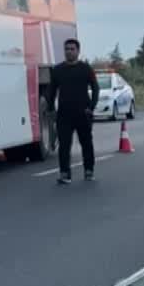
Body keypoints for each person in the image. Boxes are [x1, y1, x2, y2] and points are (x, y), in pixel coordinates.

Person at [49, 38, 100, 184]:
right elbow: (51, 91)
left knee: (86, 143)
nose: (69, 51)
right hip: (64, 114)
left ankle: (89, 171)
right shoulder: (58, 70)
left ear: (78, 51)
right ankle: (65, 174)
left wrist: (91, 107)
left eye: (72, 49)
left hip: (83, 113)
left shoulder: (85, 68)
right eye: (67, 49)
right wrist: (51, 109)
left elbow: (95, 88)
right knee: (64, 145)